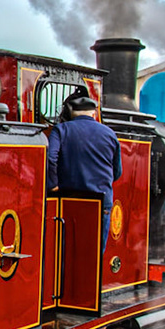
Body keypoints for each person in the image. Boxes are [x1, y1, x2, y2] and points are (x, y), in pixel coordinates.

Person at [46, 91, 122, 246]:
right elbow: (117, 171)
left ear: (71, 112)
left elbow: (51, 158)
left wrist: (53, 184)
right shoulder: (110, 134)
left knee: (68, 249)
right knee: (94, 253)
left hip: (69, 198)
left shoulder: (61, 130)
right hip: (101, 201)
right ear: (93, 113)